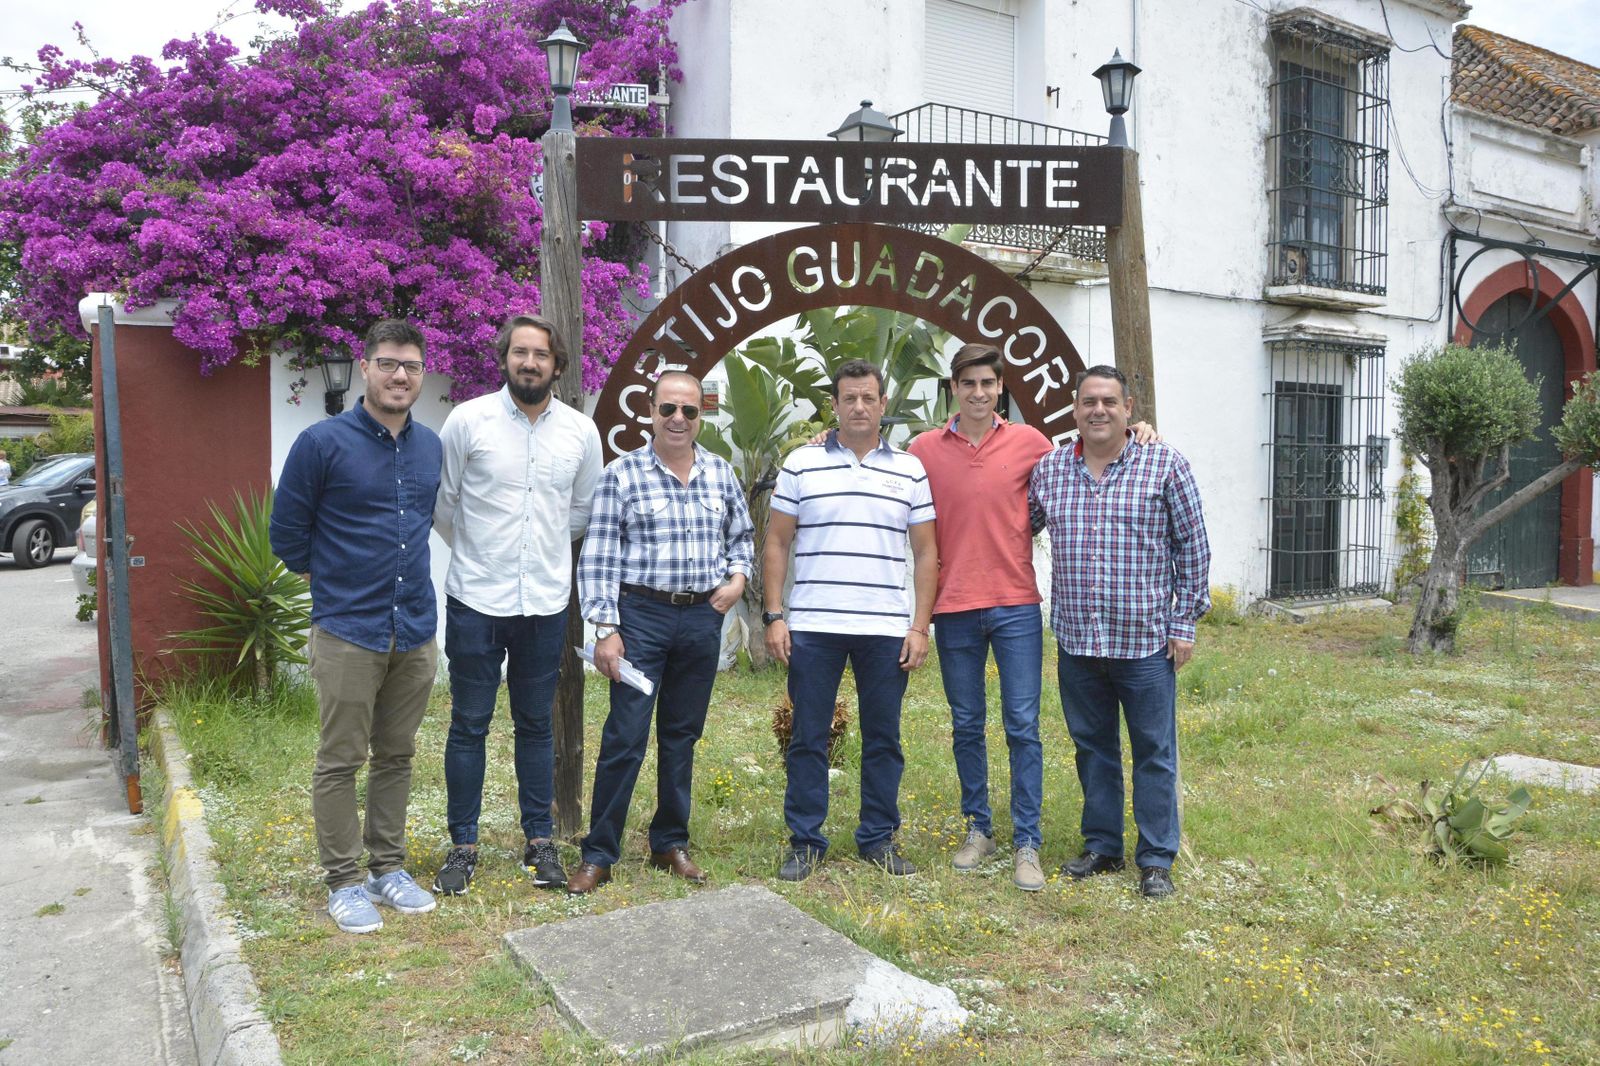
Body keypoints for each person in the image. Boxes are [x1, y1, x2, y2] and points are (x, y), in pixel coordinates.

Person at [269, 319, 443, 934]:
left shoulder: (431, 447)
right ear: (365, 366)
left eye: (413, 366)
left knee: (397, 754)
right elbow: (287, 534)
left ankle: (387, 868)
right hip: (348, 629)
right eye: (390, 363)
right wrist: (334, 582)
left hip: (415, 628)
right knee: (341, 757)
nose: (402, 375)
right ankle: (343, 880)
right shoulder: (321, 443)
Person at [430, 313, 602, 896]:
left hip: (545, 603)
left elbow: (579, 513)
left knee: (535, 724)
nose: (530, 363)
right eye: (520, 352)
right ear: (505, 357)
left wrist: (537, 557)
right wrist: (483, 555)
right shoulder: (467, 421)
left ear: (558, 365)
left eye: (542, 355)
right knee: (469, 723)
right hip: (475, 598)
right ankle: (463, 846)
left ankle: (539, 842)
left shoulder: (581, 432)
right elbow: (445, 504)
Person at [568, 370, 754, 894]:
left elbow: (742, 538)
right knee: (625, 735)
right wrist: (605, 628)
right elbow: (599, 557)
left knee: (681, 735)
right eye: (668, 409)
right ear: (650, 412)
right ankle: (599, 853)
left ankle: (669, 842)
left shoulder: (720, 474)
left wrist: (737, 580)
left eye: (689, 411)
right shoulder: (621, 475)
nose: (678, 419)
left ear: (700, 417)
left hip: (700, 619)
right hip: (640, 620)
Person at [1029, 365, 1210, 899]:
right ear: (1075, 409)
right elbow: (1015, 523)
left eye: (1109, 401)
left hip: (1145, 642)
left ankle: (1155, 859)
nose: (1098, 411)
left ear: (1128, 408)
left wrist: (1184, 625)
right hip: (1078, 641)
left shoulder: (1165, 465)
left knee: (1154, 750)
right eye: (1089, 402)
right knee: (1093, 747)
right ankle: (1103, 845)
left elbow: (1193, 549)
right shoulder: (1051, 470)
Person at [764, 360, 938, 882]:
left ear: (883, 405)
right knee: (808, 736)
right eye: (849, 399)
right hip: (814, 625)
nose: (859, 407)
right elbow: (776, 541)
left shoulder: (909, 470)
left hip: (885, 628)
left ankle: (878, 838)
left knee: (884, 738)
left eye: (868, 398)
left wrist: (919, 626)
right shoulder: (802, 464)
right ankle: (805, 841)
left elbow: (926, 553)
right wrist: (775, 615)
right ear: (834, 406)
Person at [905, 343, 1053, 891]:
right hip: (955, 607)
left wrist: (1143, 430)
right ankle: (979, 828)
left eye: (988, 383)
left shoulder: (1031, 443)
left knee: (1023, 726)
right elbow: (875, 466)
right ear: (954, 389)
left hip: (1016, 603)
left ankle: (1027, 842)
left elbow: (1089, 452)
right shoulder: (923, 449)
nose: (979, 392)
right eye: (968, 383)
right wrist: (827, 441)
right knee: (967, 724)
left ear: (999, 390)